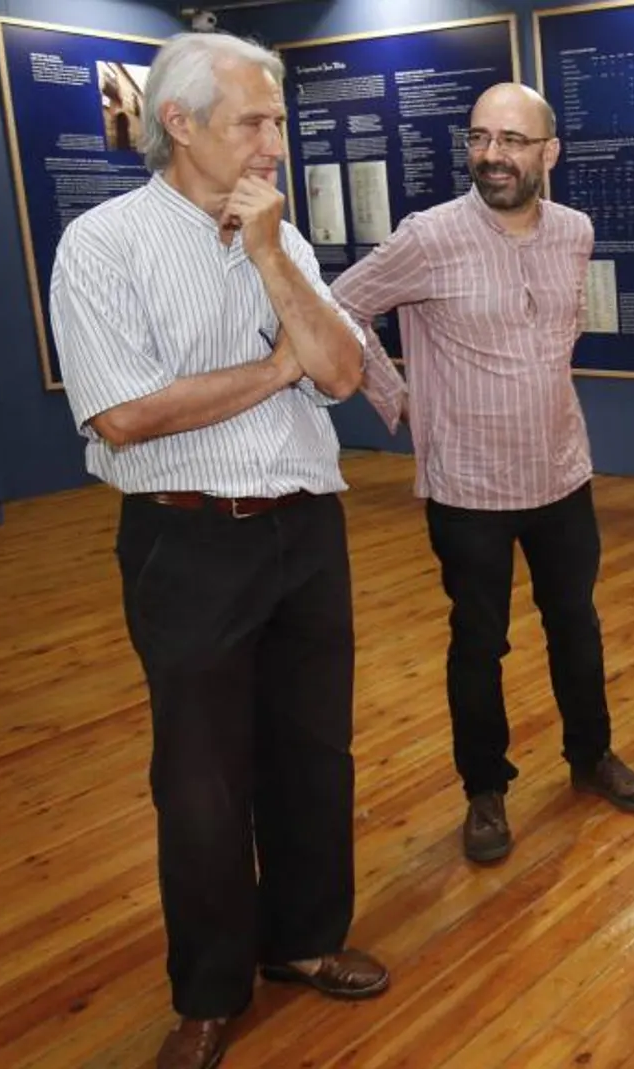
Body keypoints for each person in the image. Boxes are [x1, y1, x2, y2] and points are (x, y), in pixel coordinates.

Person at [46, 32, 387, 1069]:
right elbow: (124, 417)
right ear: (180, 124)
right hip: (186, 539)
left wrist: (275, 259)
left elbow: (339, 376)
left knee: (313, 755)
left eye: (277, 120)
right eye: (253, 121)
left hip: (305, 528)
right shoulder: (102, 245)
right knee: (198, 779)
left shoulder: (280, 234)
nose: (274, 142)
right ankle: (208, 990)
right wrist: (277, 368)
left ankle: (304, 940)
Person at [329, 83, 634, 865]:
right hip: (468, 485)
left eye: (512, 140)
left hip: (561, 472)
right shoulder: (429, 236)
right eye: (480, 138)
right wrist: (396, 396)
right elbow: (341, 305)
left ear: (549, 153)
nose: (492, 155)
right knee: (478, 643)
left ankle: (591, 758)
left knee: (575, 626)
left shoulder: (575, 232)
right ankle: (486, 790)